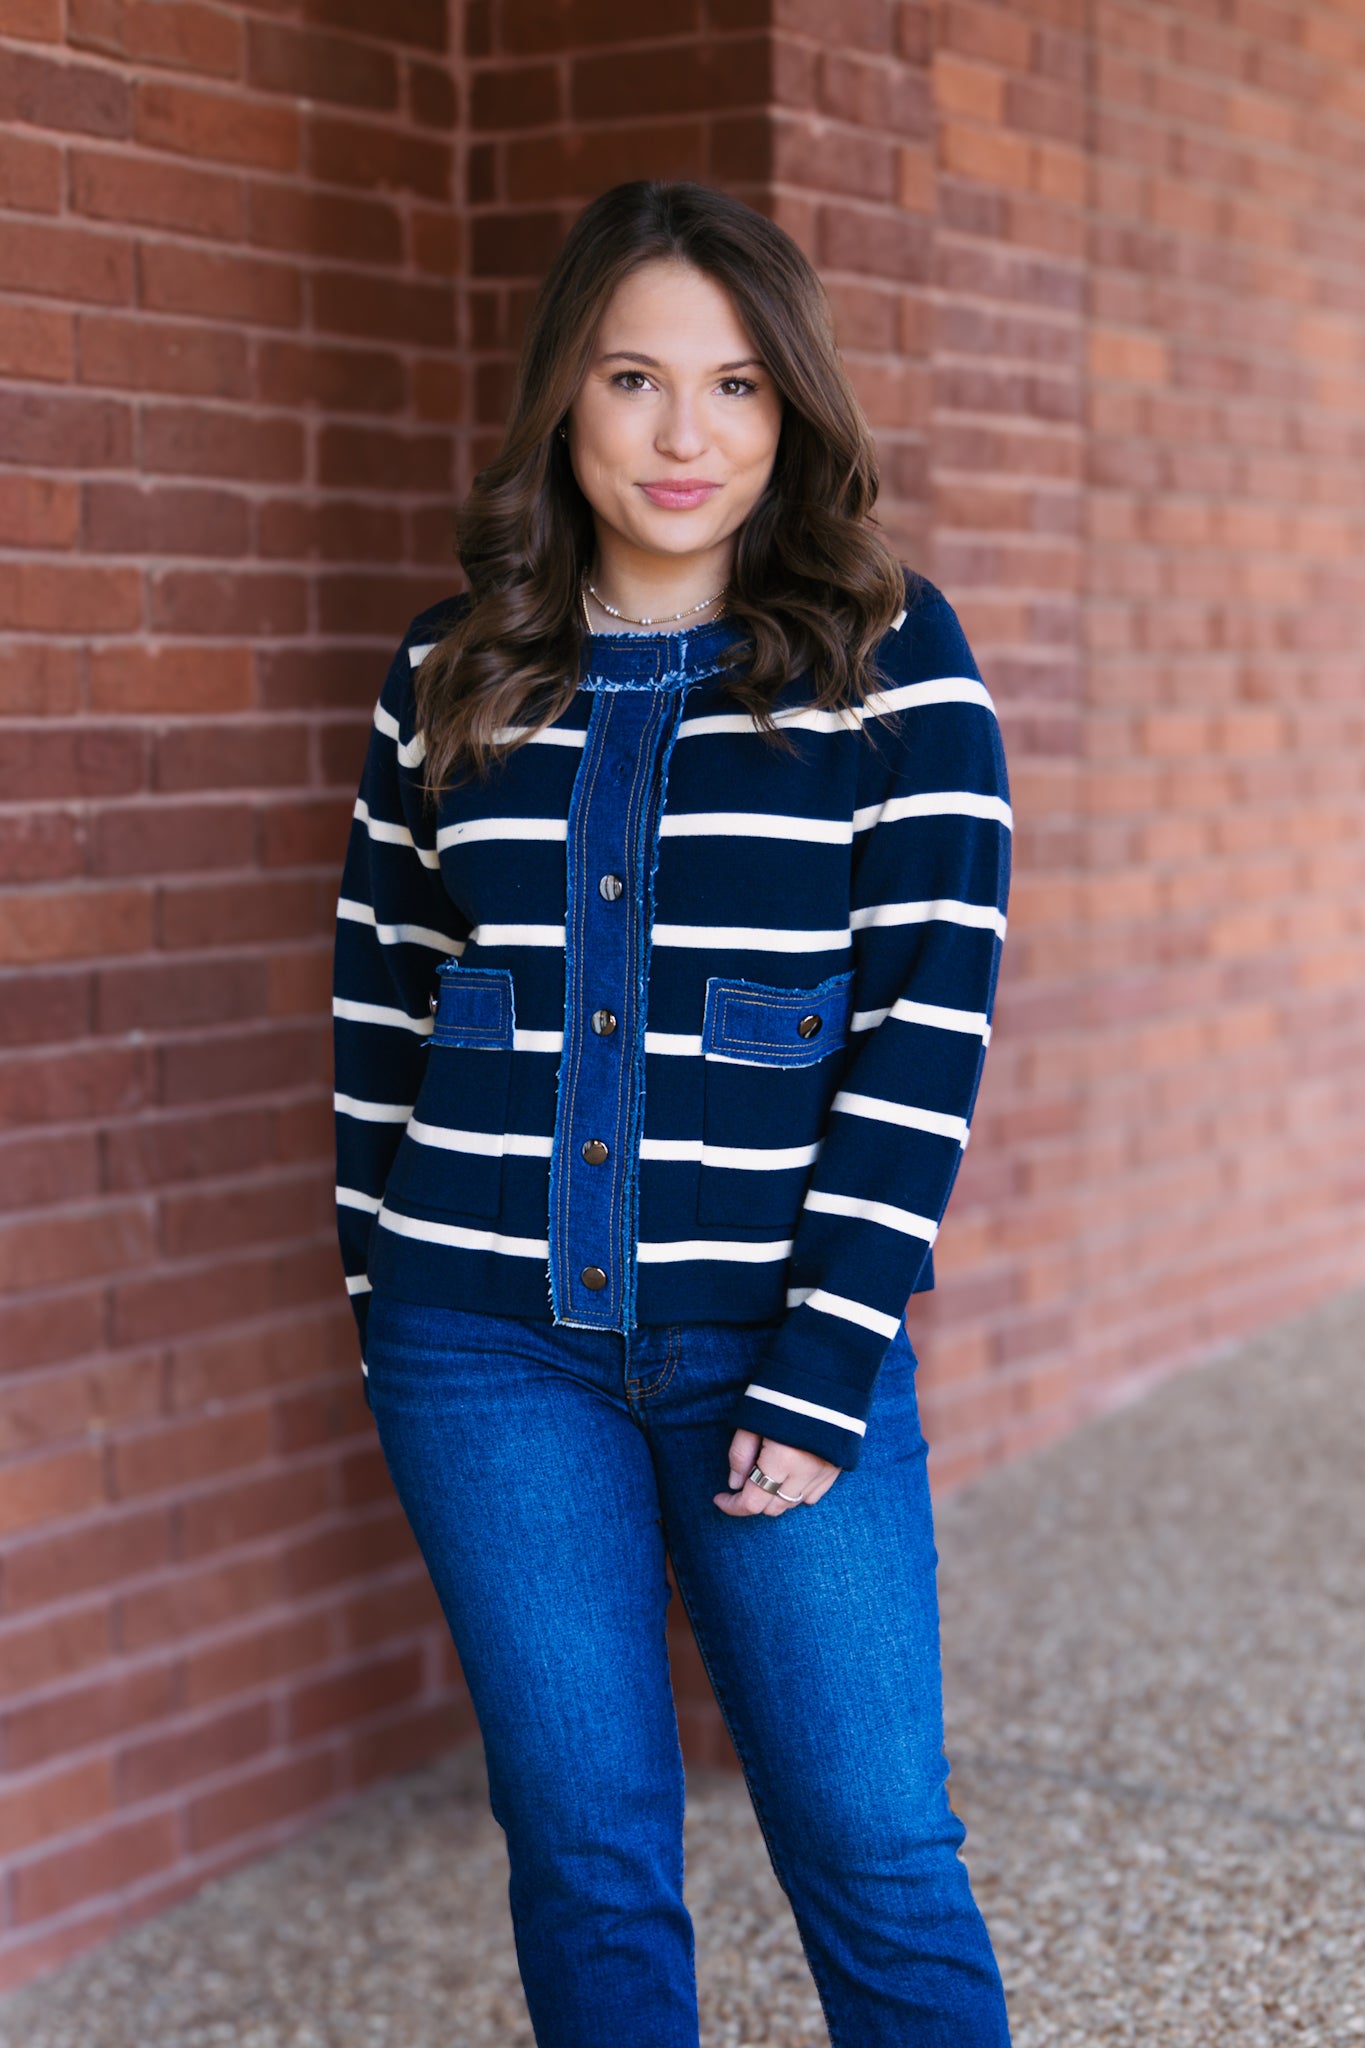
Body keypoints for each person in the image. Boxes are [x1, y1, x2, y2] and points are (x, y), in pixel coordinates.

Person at [332, 179, 1012, 2047]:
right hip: (481, 1355)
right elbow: (380, 1004)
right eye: (633, 378)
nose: (682, 434)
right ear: (565, 394)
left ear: (792, 409)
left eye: (734, 386)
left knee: (875, 1848)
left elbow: (926, 1028)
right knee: (583, 1849)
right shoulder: (450, 668)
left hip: (777, 1344)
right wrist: (383, 1304)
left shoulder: (889, 658)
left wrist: (823, 1362)